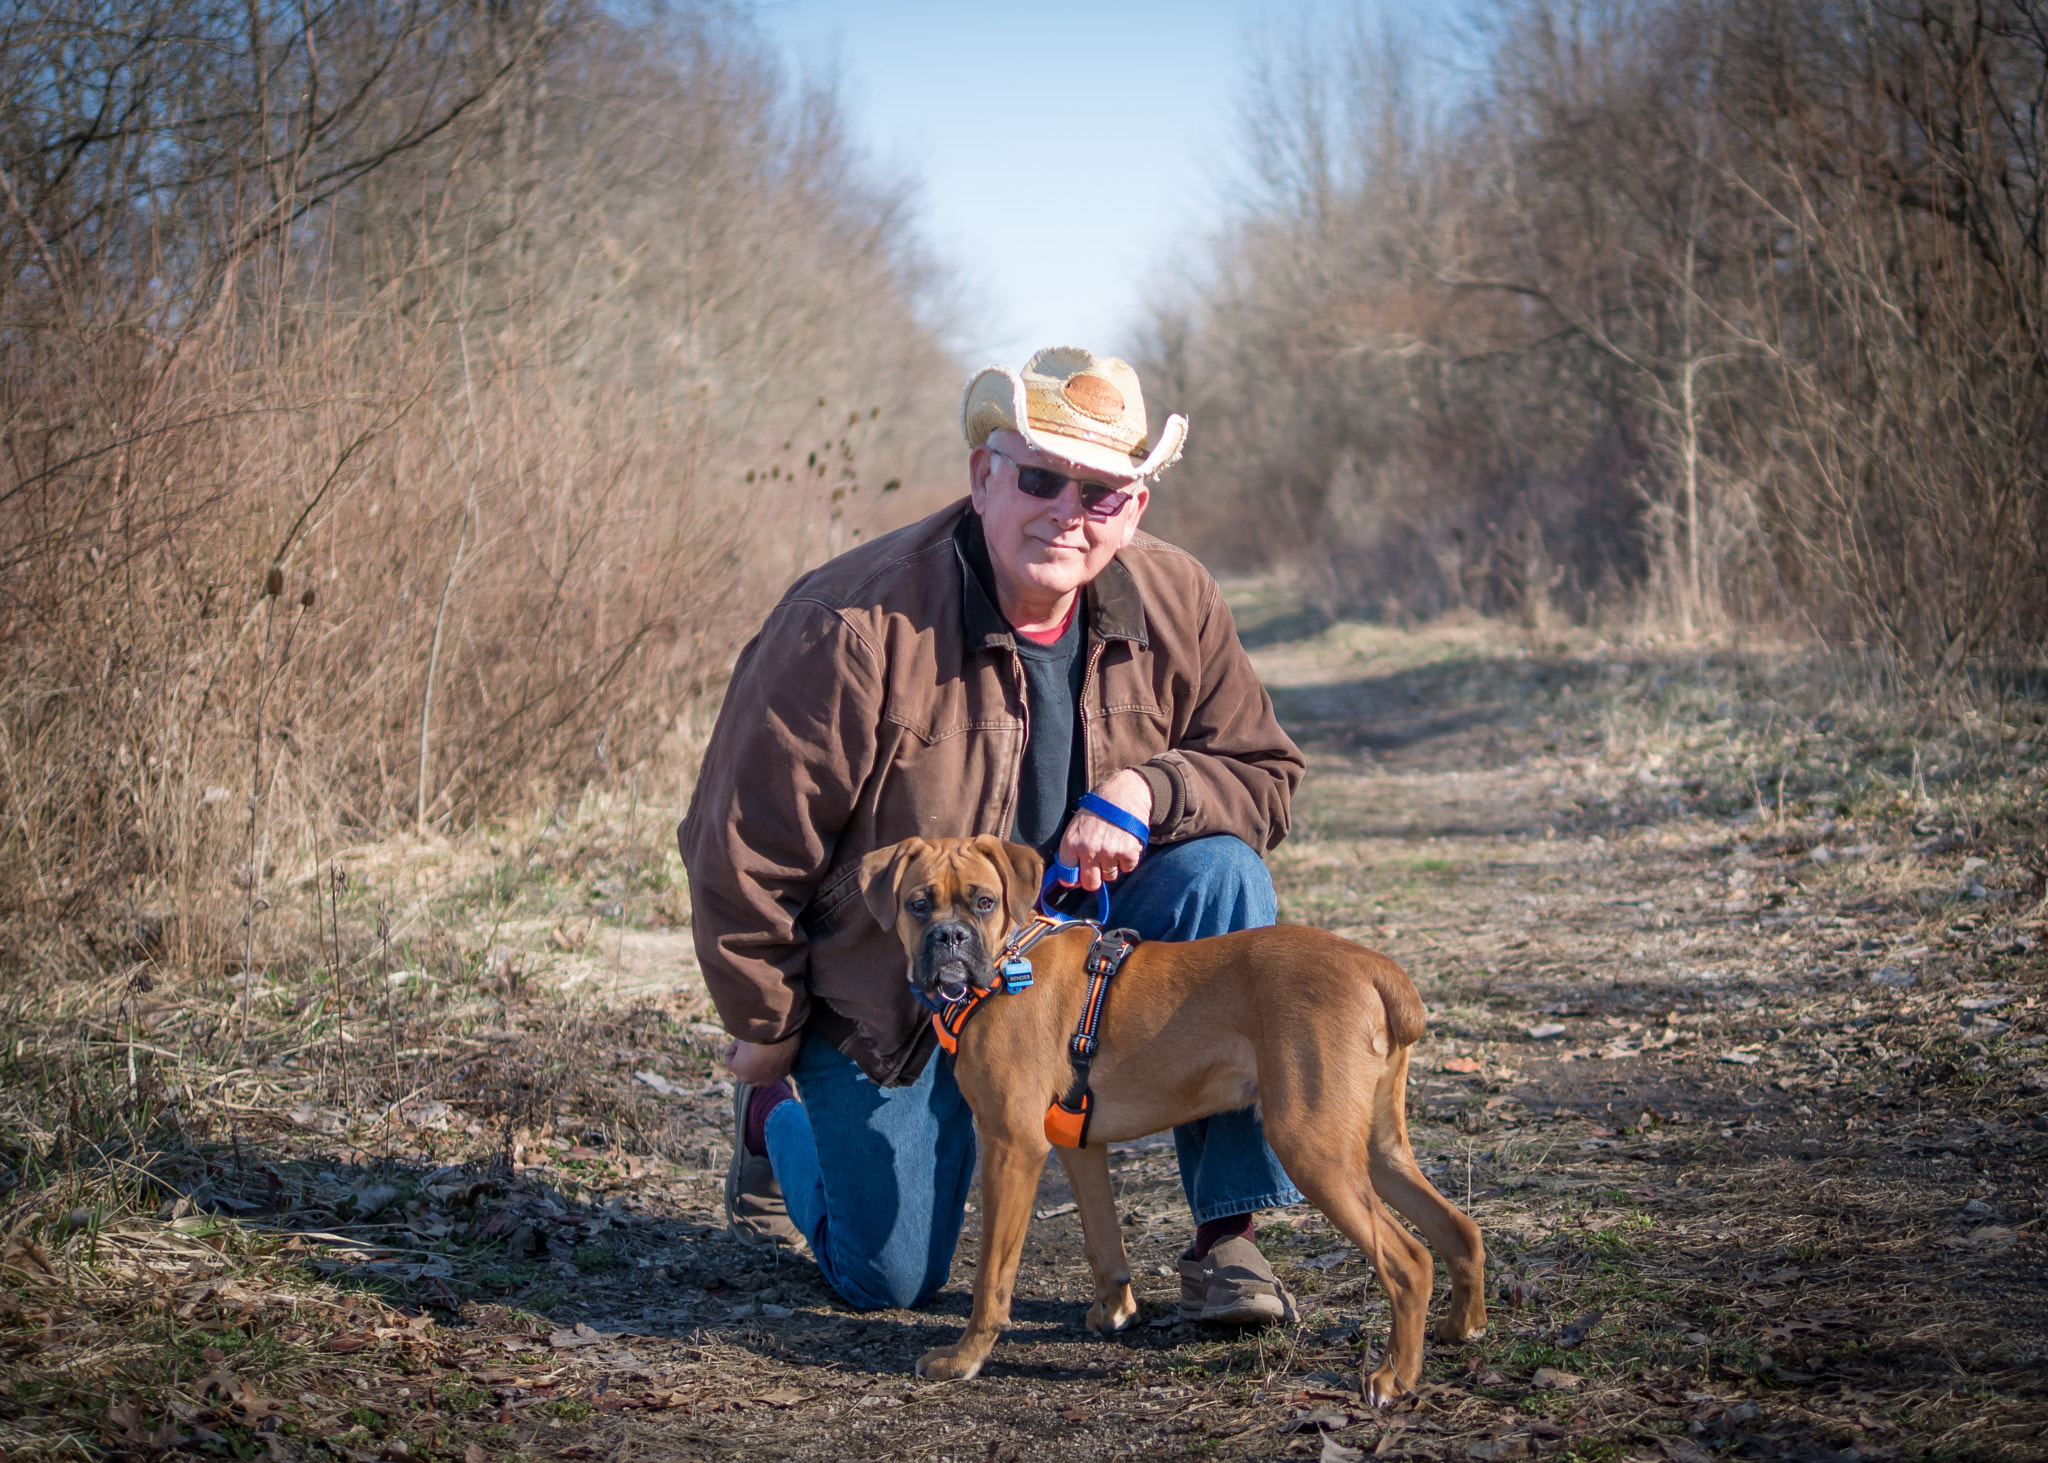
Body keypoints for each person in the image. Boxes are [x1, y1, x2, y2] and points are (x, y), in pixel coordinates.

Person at [678, 346, 1307, 1326]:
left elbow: (1264, 775)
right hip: (895, 981)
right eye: (1039, 476)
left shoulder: (1176, 601)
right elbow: (739, 842)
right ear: (983, 476)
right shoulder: (849, 623)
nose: (1067, 509)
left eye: (1101, 490)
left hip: (1078, 953)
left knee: (1223, 874)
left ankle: (1224, 1237)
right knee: (886, 1278)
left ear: (1133, 509)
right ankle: (776, 1127)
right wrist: (765, 1021)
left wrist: (1149, 787)